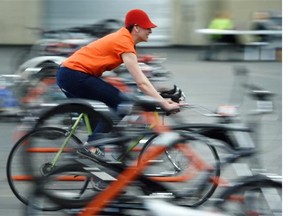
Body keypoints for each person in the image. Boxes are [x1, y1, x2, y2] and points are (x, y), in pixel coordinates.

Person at [56, 9, 180, 160]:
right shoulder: (124, 42)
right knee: (123, 103)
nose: (150, 31)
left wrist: (158, 98)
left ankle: (96, 168)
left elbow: (138, 77)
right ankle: (92, 147)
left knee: (99, 118)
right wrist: (163, 104)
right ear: (136, 27)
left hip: (68, 74)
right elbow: (141, 82)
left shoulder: (123, 39)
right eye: (147, 27)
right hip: (75, 75)